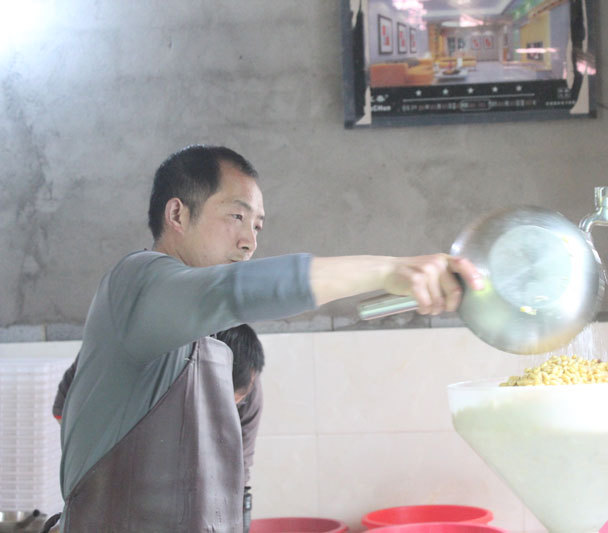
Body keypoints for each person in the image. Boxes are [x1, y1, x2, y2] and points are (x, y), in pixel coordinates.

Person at [54, 145, 483, 532]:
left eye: (257, 226)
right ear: (178, 214)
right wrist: (390, 271)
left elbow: (234, 488)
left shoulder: (221, 352)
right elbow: (234, 290)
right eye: (236, 217)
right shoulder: (134, 285)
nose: (250, 242)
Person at [51, 323, 265, 530]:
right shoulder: (134, 360)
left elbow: (238, 470)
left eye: (236, 402)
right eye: (218, 403)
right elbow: (64, 412)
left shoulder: (247, 391)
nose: (224, 412)